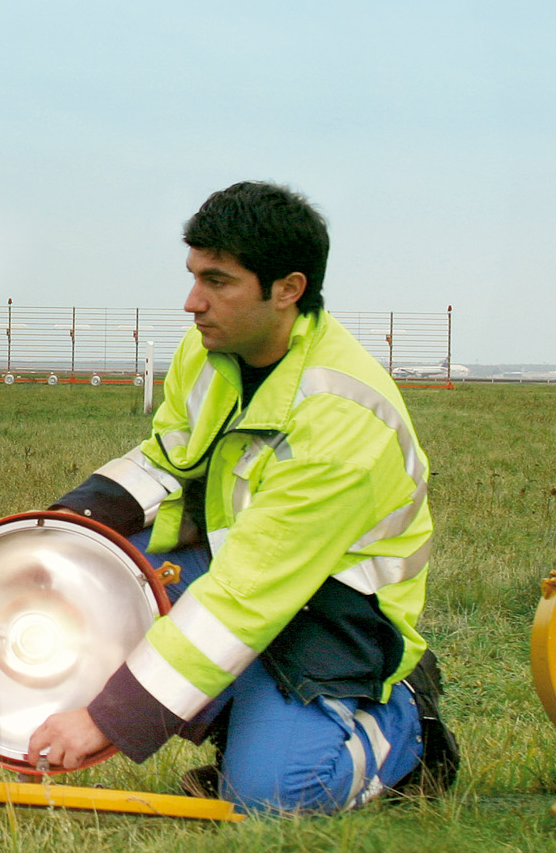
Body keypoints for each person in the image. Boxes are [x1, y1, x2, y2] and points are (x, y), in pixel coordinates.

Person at [29, 181, 457, 813]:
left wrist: (108, 718)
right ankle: (251, 709)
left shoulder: (339, 420)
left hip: (337, 612)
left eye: (219, 281)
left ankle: (406, 731)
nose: (192, 302)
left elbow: (247, 595)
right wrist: (64, 530)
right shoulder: (210, 351)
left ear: (288, 289)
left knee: (273, 796)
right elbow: (166, 461)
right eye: (194, 275)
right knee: (98, 586)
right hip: (249, 572)